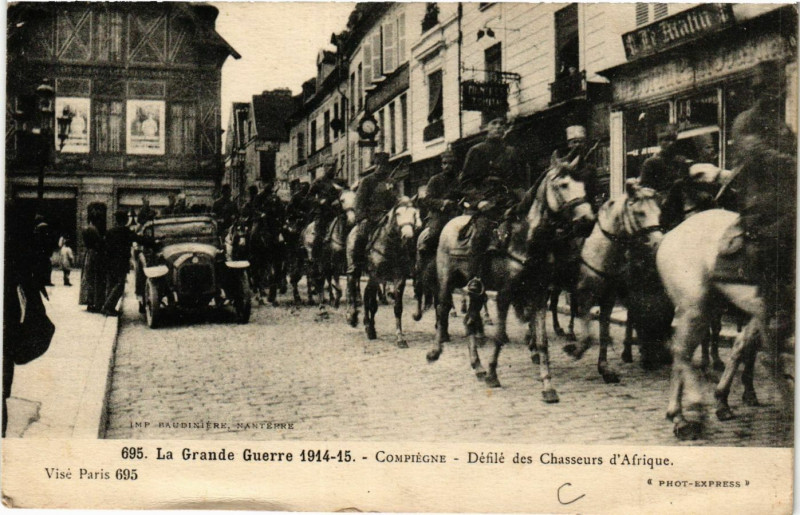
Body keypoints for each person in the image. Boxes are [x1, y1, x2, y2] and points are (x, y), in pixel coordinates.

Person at [727, 60, 796, 337]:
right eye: (771, 89)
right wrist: (792, 163)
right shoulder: (745, 121)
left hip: (787, 199)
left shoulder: (783, 127)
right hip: (760, 204)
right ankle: (777, 306)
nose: (777, 95)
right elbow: (756, 154)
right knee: (776, 239)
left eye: (780, 89)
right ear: (758, 90)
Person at [457, 115, 525, 293]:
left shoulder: (512, 152)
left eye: (502, 124)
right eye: (494, 123)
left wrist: (525, 200)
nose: (499, 127)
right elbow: (465, 183)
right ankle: (475, 280)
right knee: (480, 235)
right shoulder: (476, 151)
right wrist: (479, 201)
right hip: (486, 207)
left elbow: (518, 183)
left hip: (509, 204)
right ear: (486, 127)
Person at [347, 152, 397, 279]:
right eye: (378, 164)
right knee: (360, 237)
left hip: (387, 218)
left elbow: (395, 200)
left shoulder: (391, 182)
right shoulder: (367, 181)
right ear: (375, 165)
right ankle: (356, 265)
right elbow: (358, 202)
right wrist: (362, 218)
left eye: (383, 165)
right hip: (370, 218)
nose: (380, 167)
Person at [101, 210, 153, 316]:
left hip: (110, 262)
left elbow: (105, 247)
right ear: (125, 220)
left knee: (111, 285)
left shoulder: (110, 231)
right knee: (120, 285)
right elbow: (139, 239)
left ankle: (109, 308)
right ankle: (107, 307)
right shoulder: (126, 231)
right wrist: (154, 242)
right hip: (121, 262)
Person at [418, 145, 460, 256]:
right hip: (438, 214)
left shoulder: (458, 181)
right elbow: (427, 200)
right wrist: (442, 203)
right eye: (445, 163)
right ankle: (426, 249)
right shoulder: (435, 180)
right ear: (441, 165)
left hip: (455, 212)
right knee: (435, 232)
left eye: (450, 164)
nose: (447, 166)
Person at [639, 124, 689, 198]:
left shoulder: (681, 161)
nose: (671, 143)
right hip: (659, 200)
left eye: (673, 139)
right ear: (659, 142)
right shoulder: (651, 162)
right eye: (667, 140)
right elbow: (644, 188)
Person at [307, 158, 341, 262]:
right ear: (324, 168)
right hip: (323, 213)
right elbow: (309, 197)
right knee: (318, 235)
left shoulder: (340, 181)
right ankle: (314, 259)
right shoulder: (318, 181)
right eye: (328, 166)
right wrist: (320, 201)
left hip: (337, 213)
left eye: (333, 166)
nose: (331, 168)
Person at [79, 207, 106, 313]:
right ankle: (93, 302)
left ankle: (89, 302)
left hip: (89, 254)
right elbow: (99, 243)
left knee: (88, 278)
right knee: (94, 279)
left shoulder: (86, 228)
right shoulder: (93, 229)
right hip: (95, 254)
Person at [32, 214, 54, 289]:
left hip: (39, 252)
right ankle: (46, 281)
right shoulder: (43, 227)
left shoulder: (35, 229)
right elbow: (48, 241)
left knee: (40, 267)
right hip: (44, 253)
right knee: (47, 267)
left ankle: (39, 281)